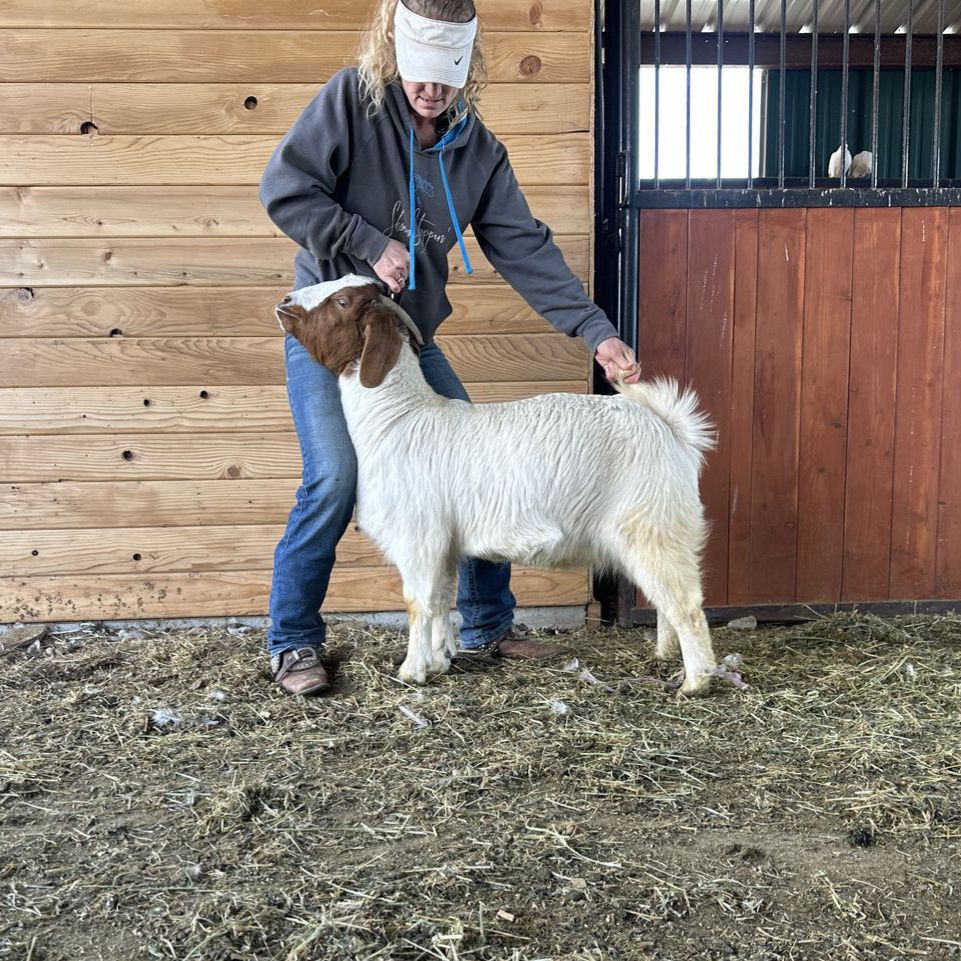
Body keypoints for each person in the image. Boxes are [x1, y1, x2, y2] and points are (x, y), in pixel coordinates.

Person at [259, 0, 641, 695]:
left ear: (467, 68)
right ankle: (292, 640)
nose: (430, 92)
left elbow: (524, 247)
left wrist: (596, 330)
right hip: (338, 338)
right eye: (420, 76)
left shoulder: (478, 151)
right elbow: (284, 190)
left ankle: (487, 624)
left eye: (446, 79)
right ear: (394, 51)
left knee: (482, 461)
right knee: (334, 475)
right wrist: (368, 243)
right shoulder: (352, 100)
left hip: (405, 336)